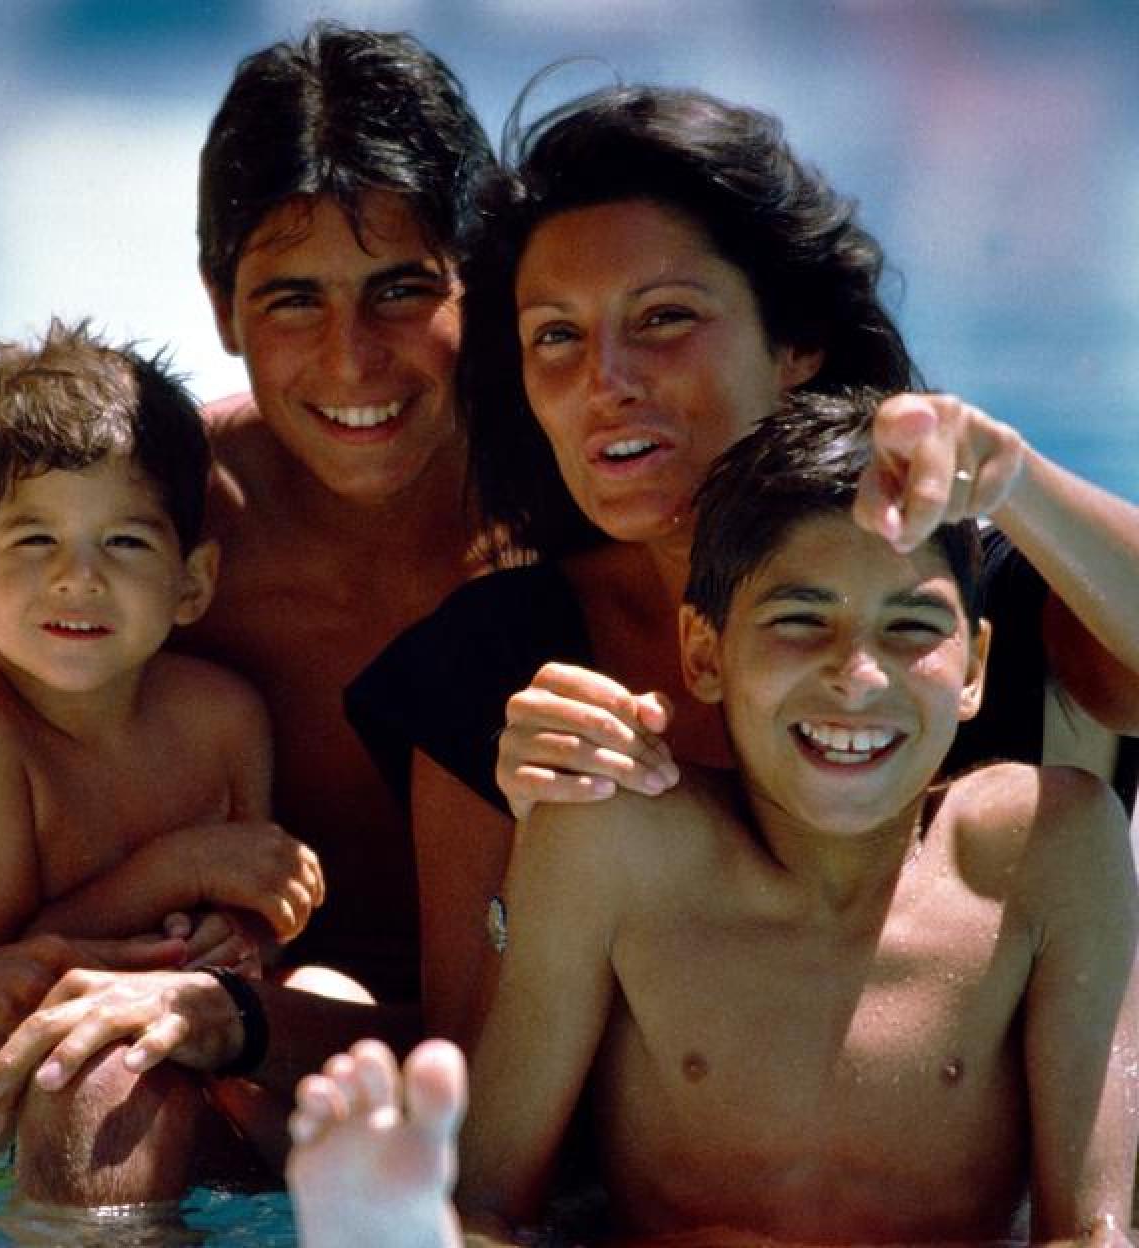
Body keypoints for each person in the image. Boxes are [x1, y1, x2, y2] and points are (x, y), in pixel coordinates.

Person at [344, 82, 1139, 1051]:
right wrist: (538, 846)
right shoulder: (495, 661)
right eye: (556, 335)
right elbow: (473, 1087)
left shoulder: (992, 599)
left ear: (796, 342)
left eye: (665, 317)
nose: (607, 380)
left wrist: (1016, 481)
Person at [292, 393, 1139, 1246]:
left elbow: (1096, 1233)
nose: (860, 676)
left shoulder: (1048, 848)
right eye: (802, 621)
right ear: (703, 652)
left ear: (975, 667)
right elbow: (493, 1200)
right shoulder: (617, 840)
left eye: (911, 627)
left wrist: (1016, 481)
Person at [0, 22, 494, 1194]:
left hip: (429, 1050)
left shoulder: (560, 526)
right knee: (95, 1087)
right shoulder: (141, 531)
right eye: (292, 299)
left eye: (402, 288)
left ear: (482, 282)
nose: (352, 356)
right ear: (222, 307)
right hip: (207, 1045)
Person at [0, 319, 323, 1170]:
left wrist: (239, 935)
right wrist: (180, 868)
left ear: (193, 582)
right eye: (35, 540)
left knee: (330, 1014)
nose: (77, 578)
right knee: (87, 1088)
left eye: (123, 541)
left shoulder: (225, 715)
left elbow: (259, 930)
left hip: (146, 1027)